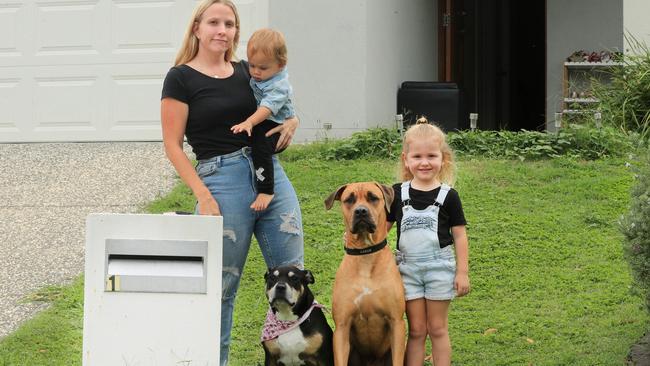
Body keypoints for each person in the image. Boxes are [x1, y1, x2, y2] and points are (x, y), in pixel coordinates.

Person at [159, 1, 304, 364]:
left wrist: (293, 122)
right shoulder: (181, 77)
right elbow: (172, 146)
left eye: (230, 23)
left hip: (269, 175)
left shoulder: (248, 71)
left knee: (295, 280)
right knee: (220, 288)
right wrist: (203, 196)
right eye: (214, 22)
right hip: (220, 181)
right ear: (197, 28)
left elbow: (280, 102)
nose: (222, 30)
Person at [387, 117, 470, 366]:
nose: (424, 163)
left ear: (443, 159)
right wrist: (356, 237)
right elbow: (382, 229)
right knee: (416, 330)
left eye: (432, 156)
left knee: (437, 328)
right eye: (417, 157)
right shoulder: (397, 193)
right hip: (407, 270)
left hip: (439, 269)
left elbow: (459, 235)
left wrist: (462, 272)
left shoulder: (449, 196)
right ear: (406, 159)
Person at [230, 28, 295, 211]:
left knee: (261, 148)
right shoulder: (262, 74)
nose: (256, 72)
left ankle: (266, 190)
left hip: (275, 123)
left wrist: (249, 122)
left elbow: (267, 108)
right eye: (252, 66)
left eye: (263, 68)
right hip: (266, 119)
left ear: (281, 65)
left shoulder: (279, 85)